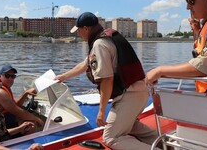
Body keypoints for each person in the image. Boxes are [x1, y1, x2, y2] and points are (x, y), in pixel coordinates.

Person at [55, 12, 159, 150]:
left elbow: (107, 79)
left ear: (86, 28)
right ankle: (164, 142)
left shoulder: (99, 44)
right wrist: (63, 77)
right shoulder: (107, 37)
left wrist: (101, 111)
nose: (78, 34)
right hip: (140, 91)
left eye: (79, 31)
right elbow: (85, 63)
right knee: (130, 125)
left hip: (130, 95)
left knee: (111, 137)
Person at [0, 65, 43, 133]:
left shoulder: (5, 87)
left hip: (6, 121)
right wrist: (37, 119)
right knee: (31, 125)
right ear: (0, 76)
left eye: (13, 76)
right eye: (7, 76)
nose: (10, 79)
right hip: (1, 127)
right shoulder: (0, 92)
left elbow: (14, 105)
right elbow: (18, 112)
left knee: (28, 121)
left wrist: (25, 93)